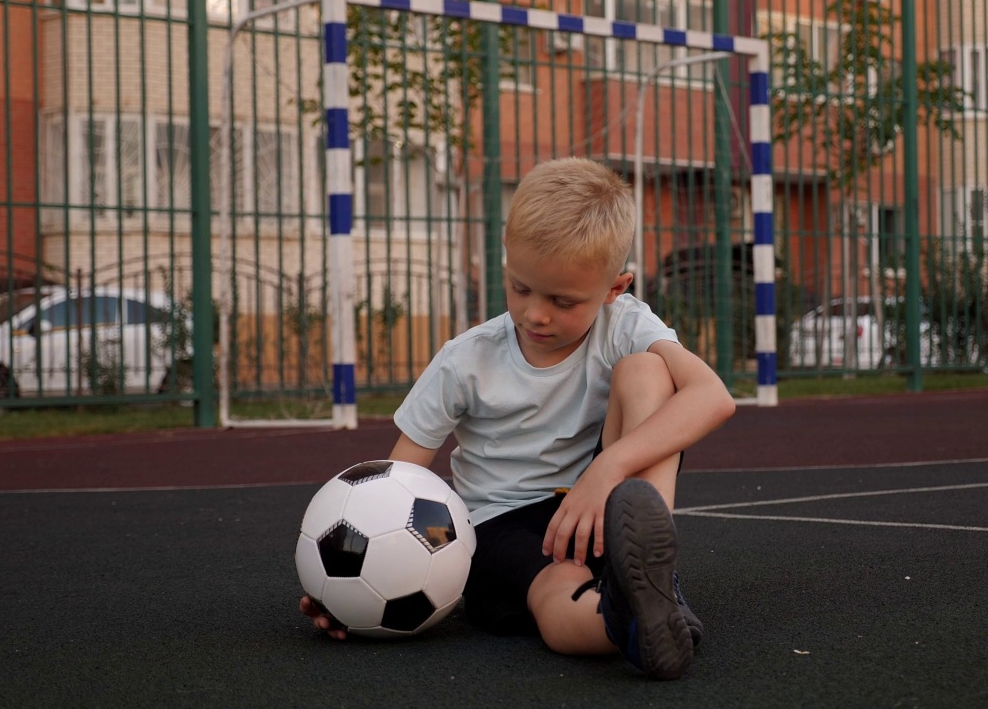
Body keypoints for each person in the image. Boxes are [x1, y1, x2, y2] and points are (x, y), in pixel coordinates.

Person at [300, 157, 736, 680]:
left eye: (562, 300)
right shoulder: (466, 360)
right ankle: (624, 625)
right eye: (521, 288)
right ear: (506, 261)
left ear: (615, 289)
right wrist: (347, 586)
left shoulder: (625, 325)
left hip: (597, 506)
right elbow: (395, 486)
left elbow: (713, 396)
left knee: (647, 371)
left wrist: (608, 470)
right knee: (557, 588)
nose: (535, 314)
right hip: (498, 528)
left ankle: (646, 565)